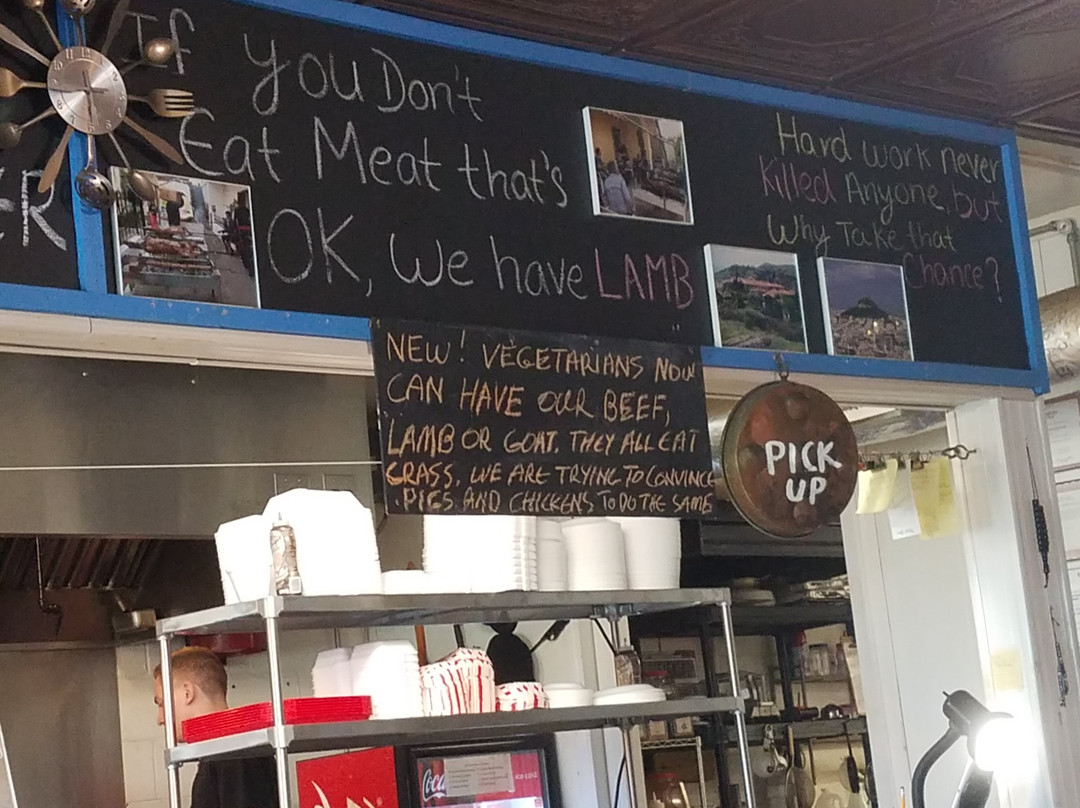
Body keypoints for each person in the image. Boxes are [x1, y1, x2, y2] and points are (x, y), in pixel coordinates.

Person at [153, 647, 278, 808]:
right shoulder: (223, 752)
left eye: (162, 704)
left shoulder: (237, 752)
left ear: (187, 693)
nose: (160, 719)